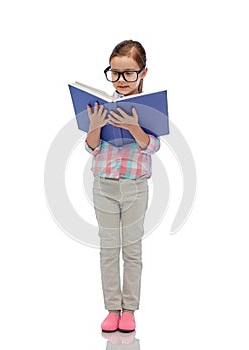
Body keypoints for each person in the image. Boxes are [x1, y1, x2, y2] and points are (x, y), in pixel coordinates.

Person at [85, 40, 160, 332]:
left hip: (135, 187)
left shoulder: (150, 107)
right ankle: (111, 308)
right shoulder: (102, 105)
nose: (121, 80)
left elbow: (152, 146)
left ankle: (129, 310)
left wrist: (134, 127)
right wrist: (94, 126)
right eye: (115, 73)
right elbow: (92, 148)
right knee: (108, 249)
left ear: (143, 72)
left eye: (129, 73)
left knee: (131, 250)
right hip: (103, 184)